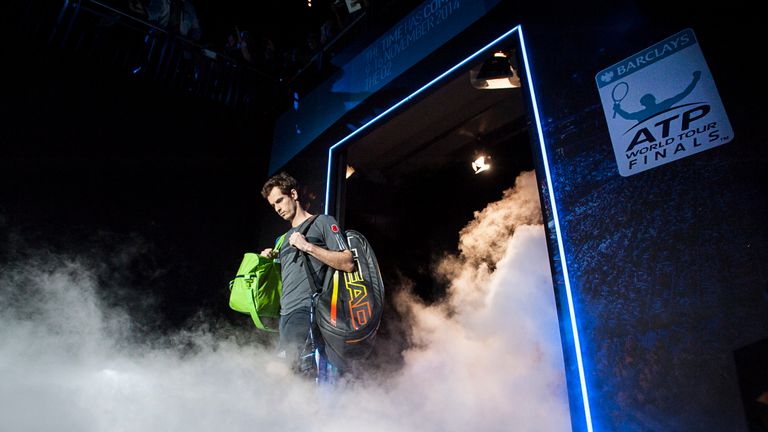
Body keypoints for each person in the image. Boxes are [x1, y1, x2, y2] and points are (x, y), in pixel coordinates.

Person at [260, 172, 354, 374]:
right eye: (273, 205)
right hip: (285, 314)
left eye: (280, 200)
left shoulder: (323, 222)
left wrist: (307, 246)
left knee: (290, 373)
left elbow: (347, 262)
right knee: (288, 376)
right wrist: (270, 259)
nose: (277, 208)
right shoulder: (282, 239)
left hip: (308, 309)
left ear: (293, 194)